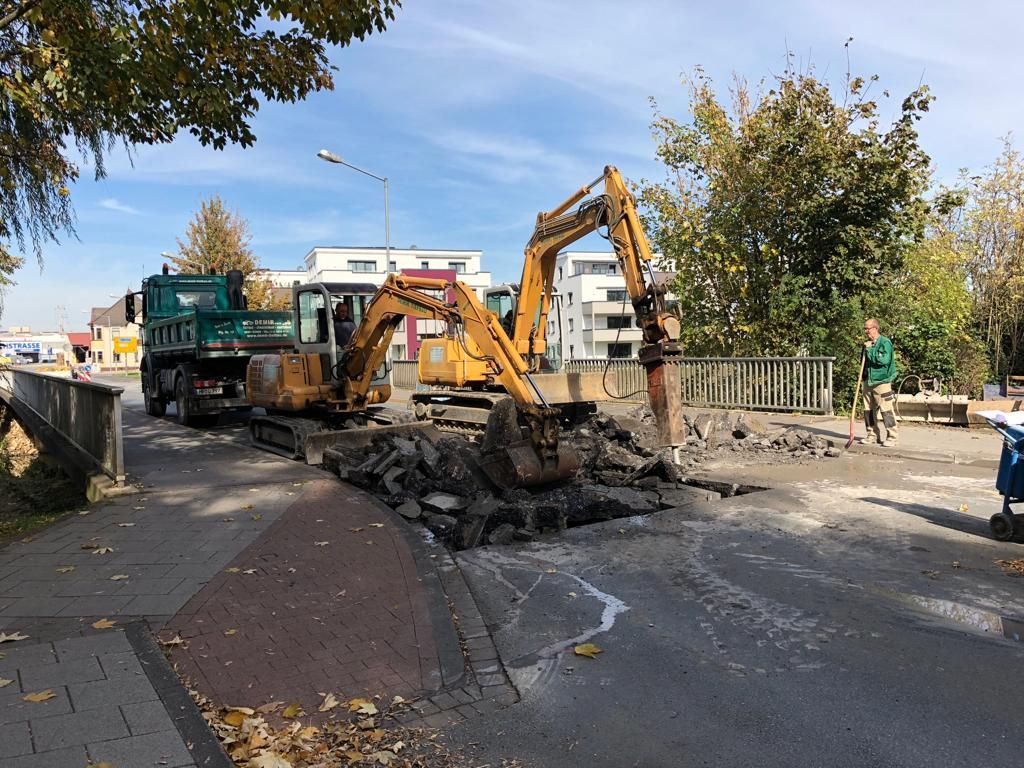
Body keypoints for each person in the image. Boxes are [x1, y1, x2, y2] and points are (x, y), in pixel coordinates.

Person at [861, 318, 899, 447]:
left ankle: (892, 437)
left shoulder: (885, 342)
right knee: (868, 410)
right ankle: (872, 434)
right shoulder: (867, 344)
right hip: (868, 381)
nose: (866, 331)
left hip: (882, 381)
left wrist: (870, 350)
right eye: (865, 328)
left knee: (886, 409)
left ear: (875, 328)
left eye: (868, 328)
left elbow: (883, 360)